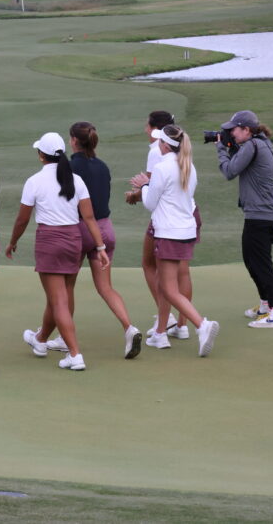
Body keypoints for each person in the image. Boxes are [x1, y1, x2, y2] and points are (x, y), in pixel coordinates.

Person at [6, 132, 109, 372]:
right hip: (73, 240)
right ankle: (40, 340)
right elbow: (90, 217)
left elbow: (22, 220)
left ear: (41, 155)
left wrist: (12, 242)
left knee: (59, 300)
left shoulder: (34, 181)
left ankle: (75, 354)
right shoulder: (76, 180)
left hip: (50, 241)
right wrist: (100, 247)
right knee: (59, 296)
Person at [47, 122, 142, 359]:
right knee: (105, 287)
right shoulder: (102, 166)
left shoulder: (68, 166)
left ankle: (62, 338)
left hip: (79, 230)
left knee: (68, 286)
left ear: (74, 141)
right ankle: (129, 327)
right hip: (105, 230)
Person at [130, 125, 219, 356]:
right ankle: (160, 334)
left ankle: (202, 325)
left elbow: (150, 203)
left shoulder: (162, 167)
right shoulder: (189, 166)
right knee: (165, 283)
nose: (158, 144)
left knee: (169, 289)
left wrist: (144, 185)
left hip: (168, 232)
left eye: (160, 141)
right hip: (184, 231)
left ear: (165, 145)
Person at [125, 110, 195, 340]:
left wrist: (135, 194)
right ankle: (179, 326)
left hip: (167, 221)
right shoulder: (185, 156)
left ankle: (171, 324)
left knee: (152, 267)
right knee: (181, 271)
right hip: (187, 216)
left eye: (148, 126)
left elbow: (152, 191)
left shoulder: (158, 154)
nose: (146, 130)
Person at [216, 110, 273, 328]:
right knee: (250, 260)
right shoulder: (257, 143)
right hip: (259, 213)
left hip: (261, 214)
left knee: (262, 264)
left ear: (246, 130)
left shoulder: (252, 146)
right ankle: (265, 305)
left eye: (233, 130)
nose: (231, 134)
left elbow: (229, 171)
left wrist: (221, 148)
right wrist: (231, 146)